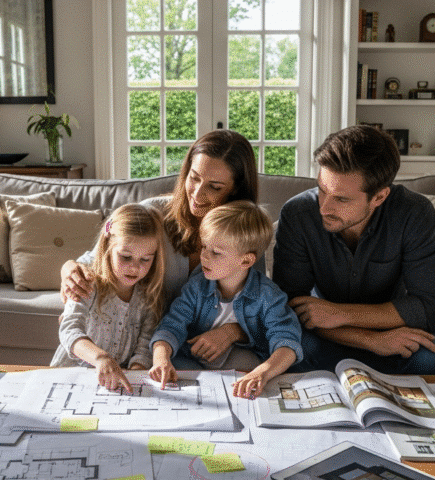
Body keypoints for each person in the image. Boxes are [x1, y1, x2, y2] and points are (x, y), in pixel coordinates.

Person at [60, 129, 260, 369]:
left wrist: (232, 332)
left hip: (205, 349)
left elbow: (259, 301)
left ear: (235, 190)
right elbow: (97, 260)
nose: (197, 193)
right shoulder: (152, 215)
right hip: (149, 345)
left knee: (249, 370)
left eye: (214, 187)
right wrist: (69, 270)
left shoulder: (247, 231)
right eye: (194, 178)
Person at [273, 124, 435, 375]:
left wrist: (341, 313)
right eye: (322, 190)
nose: (324, 207)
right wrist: (370, 340)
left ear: (379, 197)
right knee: (289, 348)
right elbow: (289, 307)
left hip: (388, 328)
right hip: (325, 331)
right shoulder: (298, 214)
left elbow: (433, 309)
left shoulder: (414, 213)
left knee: (431, 358)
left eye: (341, 199)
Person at [148, 200, 303, 398]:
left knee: (252, 366)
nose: (204, 256)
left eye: (216, 252)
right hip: (193, 359)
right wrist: (161, 358)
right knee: (171, 367)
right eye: (204, 247)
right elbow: (171, 326)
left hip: (239, 365)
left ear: (246, 260)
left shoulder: (268, 295)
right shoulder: (196, 287)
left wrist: (261, 372)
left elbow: (287, 341)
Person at [50, 204, 166, 392]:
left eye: (145, 259)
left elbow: (144, 348)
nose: (135, 267)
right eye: (126, 257)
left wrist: (135, 377)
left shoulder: (149, 296)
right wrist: (101, 358)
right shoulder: (88, 282)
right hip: (70, 377)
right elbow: (69, 330)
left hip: (113, 384)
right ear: (108, 247)